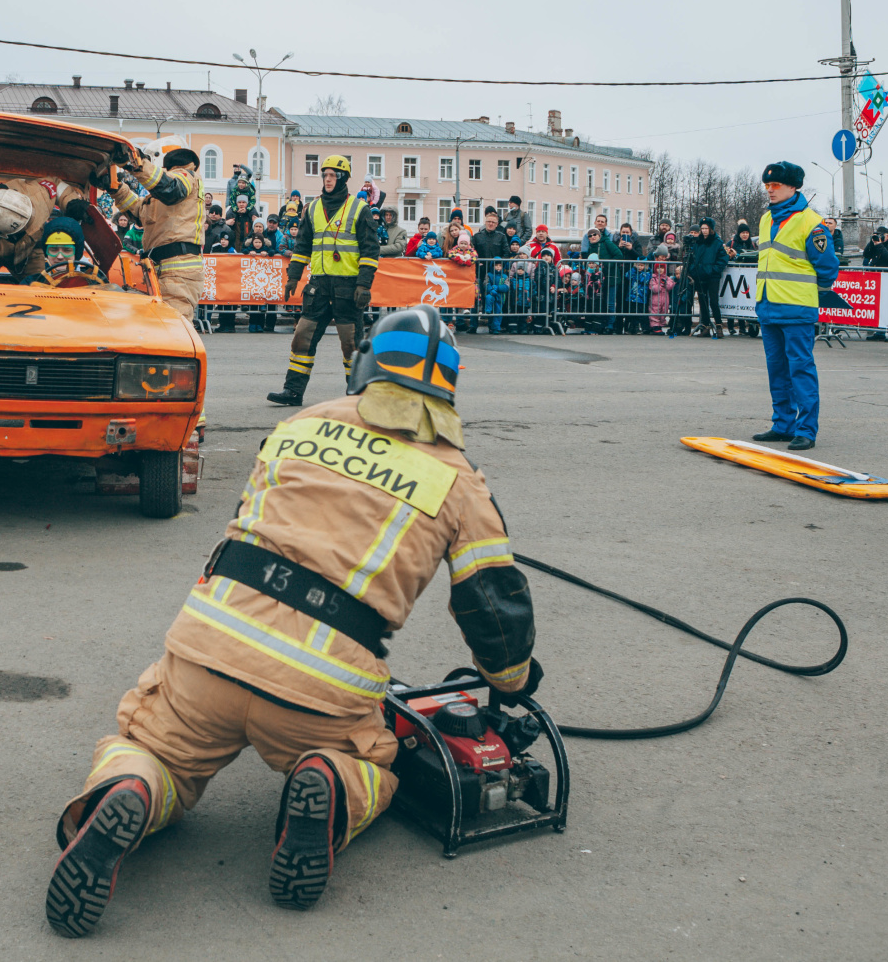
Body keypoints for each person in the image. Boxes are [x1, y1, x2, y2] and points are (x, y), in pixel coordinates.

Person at [44, 305, 539, 936]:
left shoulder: (300, 425)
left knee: (153, 750)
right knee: (373, 764)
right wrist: (512, 679)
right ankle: (329, 778)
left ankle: (128, 793)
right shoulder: (461, 483)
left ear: (365, 366)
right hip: (321, 689)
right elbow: (494, 605)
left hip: (207, 653)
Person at [267, 156, 380, 405]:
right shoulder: (313, 208)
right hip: (318, 286)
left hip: (348, 287)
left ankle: (357, 395)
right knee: (302, 338)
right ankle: (293, 391)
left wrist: (364, 285)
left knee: (351, 344)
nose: (328, 179)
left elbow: (371, 251)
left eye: (332, 175)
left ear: (342, 179)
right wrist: (293, 278)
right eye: (325, 175)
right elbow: (302, 246)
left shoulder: (359, 209)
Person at [749, 162, 839, 451]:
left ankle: (806, 429)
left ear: (793, 187)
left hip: (797, 309)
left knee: (800, 369)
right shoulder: (766, 219)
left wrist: (813, 294)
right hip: (768, 307)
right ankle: (783, 424)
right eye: (767, 186)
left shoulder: (811, 222)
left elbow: (827, 267)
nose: (770, 190)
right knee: (777, 370)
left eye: (775, 186)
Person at [106, 136, 204, 324]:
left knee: (174, 327)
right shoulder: (158, 195)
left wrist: (136, 164)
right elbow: (140, 213)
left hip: (178, 270)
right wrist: (116, 188)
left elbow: (171, 189)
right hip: (162, 267)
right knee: (162, 327)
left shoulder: (186, 177)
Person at [0, 175, 91, 283]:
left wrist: (72, 202)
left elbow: (57, 185)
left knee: (40, 285)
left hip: (30, 250)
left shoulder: (40, 195)